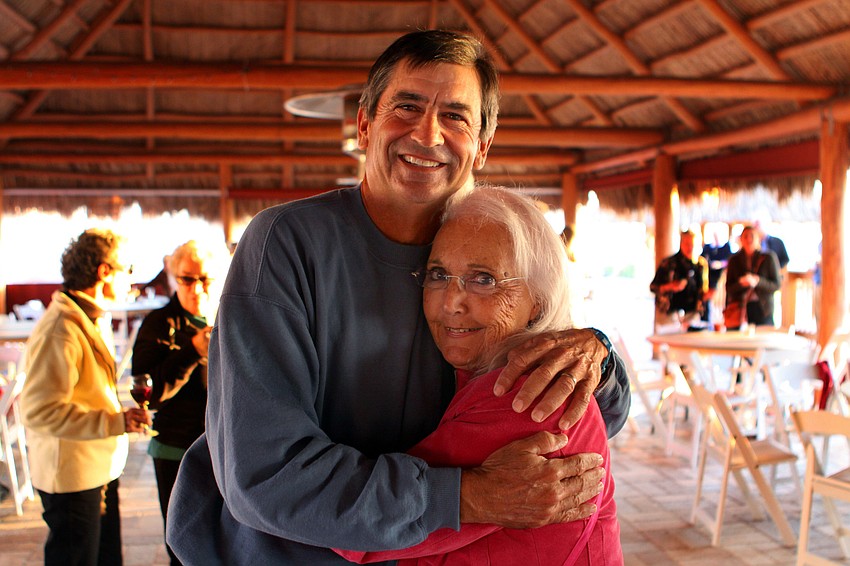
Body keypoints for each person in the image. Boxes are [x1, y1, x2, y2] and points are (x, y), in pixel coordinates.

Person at [167, 30, 629, 564]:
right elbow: (263, 475)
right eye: (406, 106)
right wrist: (466, 496)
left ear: (482, 146)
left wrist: (595, 354)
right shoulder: (287, 245)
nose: (428, 133)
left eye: (456, 115)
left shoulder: (498, 244)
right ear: (365, 124)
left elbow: (597, 416)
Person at [335, 186, 622, 564]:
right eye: (438, 274)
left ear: (538, 301)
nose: (450, 302)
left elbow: (357, 529)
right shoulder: (478, 370)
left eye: (483, 279)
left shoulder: (525, 395)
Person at [21, 228, 151, 566]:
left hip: (95, 467)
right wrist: (114, 420)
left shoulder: (86, 317)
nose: (131, 281)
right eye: (129, 270)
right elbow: (38, 411)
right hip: (71, 476)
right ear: (105, 271)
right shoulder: (59, 329)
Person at [131, 241, 219, 565]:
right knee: (182, 544)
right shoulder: (160, 323)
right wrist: (192, 352)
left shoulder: (224, 315)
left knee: (218, 541)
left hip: (218, 449)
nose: (197, 287)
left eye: (204, 278)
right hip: (175, 449)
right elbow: (148, 390)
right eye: (187, 278)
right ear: (173, 278)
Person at [650, 229, 709, 331]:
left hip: (692, 313)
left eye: (692, 244)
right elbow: (653, 287)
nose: (689, 247)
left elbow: (704, 289)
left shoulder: (701, 264)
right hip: (670, 313)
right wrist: (671, 286)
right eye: (687, 243)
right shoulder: (669, 263)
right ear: (681, 243)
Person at [725, 225, 781, 328]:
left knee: (763, 340)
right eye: (745, 236)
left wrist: (758, 281)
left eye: (752, 236)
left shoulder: (768, 258)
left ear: (758, 239)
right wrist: (741, 284)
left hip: (763, 308)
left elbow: (776, 285)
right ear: (741, 239)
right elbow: (729, 288)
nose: (749, 239)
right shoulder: (734, 260)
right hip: (740, 308)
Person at [701, 225, 732, 324]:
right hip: (709, 277)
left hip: (722, 277)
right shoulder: (707, 247)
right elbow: (702, 259)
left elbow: (730, 260)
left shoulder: (726, 247)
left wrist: (721, 264)